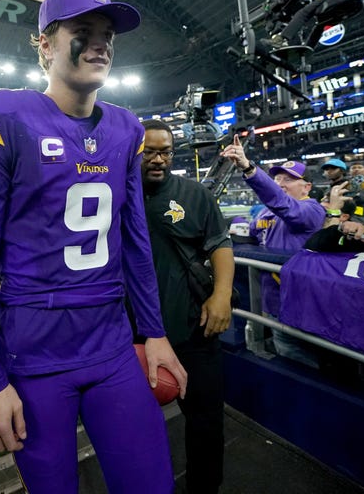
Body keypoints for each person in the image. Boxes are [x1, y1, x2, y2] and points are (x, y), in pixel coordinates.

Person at [0, 0, 187, 494]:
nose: (100, 43)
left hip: (111, 345)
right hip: (34, 355)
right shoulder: (3, 116)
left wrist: (154, 332)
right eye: (84, 31)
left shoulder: (126, 129)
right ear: (44, 44)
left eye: (107, 34)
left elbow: (134, 243)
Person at [140, 119, 234, 494]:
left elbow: (220, 244)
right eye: (150, 151)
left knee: (206, 423)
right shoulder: (113, 193)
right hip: (134, 332)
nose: (159, 159)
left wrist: (222, 295)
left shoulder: (195, 194)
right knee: (135, 424)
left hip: (194, 327)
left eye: (165, 151)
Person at [220, 140, 325, 367]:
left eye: (288, 179)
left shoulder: (313, 210)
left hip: (303, 307)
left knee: (305, 363)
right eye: (277, 178)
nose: (280, 183)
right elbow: (253, 238)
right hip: (273, 304)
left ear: (307, 187)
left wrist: (248, 168)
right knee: (284, 355)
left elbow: (284, 205)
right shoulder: (265, 214)